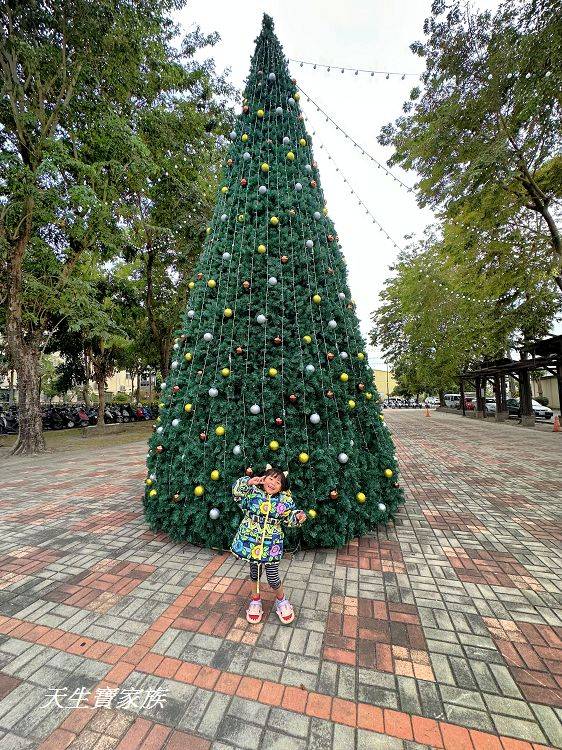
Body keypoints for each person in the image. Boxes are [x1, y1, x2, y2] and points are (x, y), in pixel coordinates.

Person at [230, 464, 307, 625]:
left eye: (278, 482)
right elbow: (236, 493)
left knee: (272, 577)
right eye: (271, 478)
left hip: (271, 545)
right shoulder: (252, 493)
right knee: (254, 574)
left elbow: (289, 517)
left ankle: (282, 600)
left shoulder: (284, 501)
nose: (273, 483)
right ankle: (255, 601)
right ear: (264, 479)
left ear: (282, 487)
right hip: (251, 542)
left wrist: (298, 516)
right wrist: (249, 482)